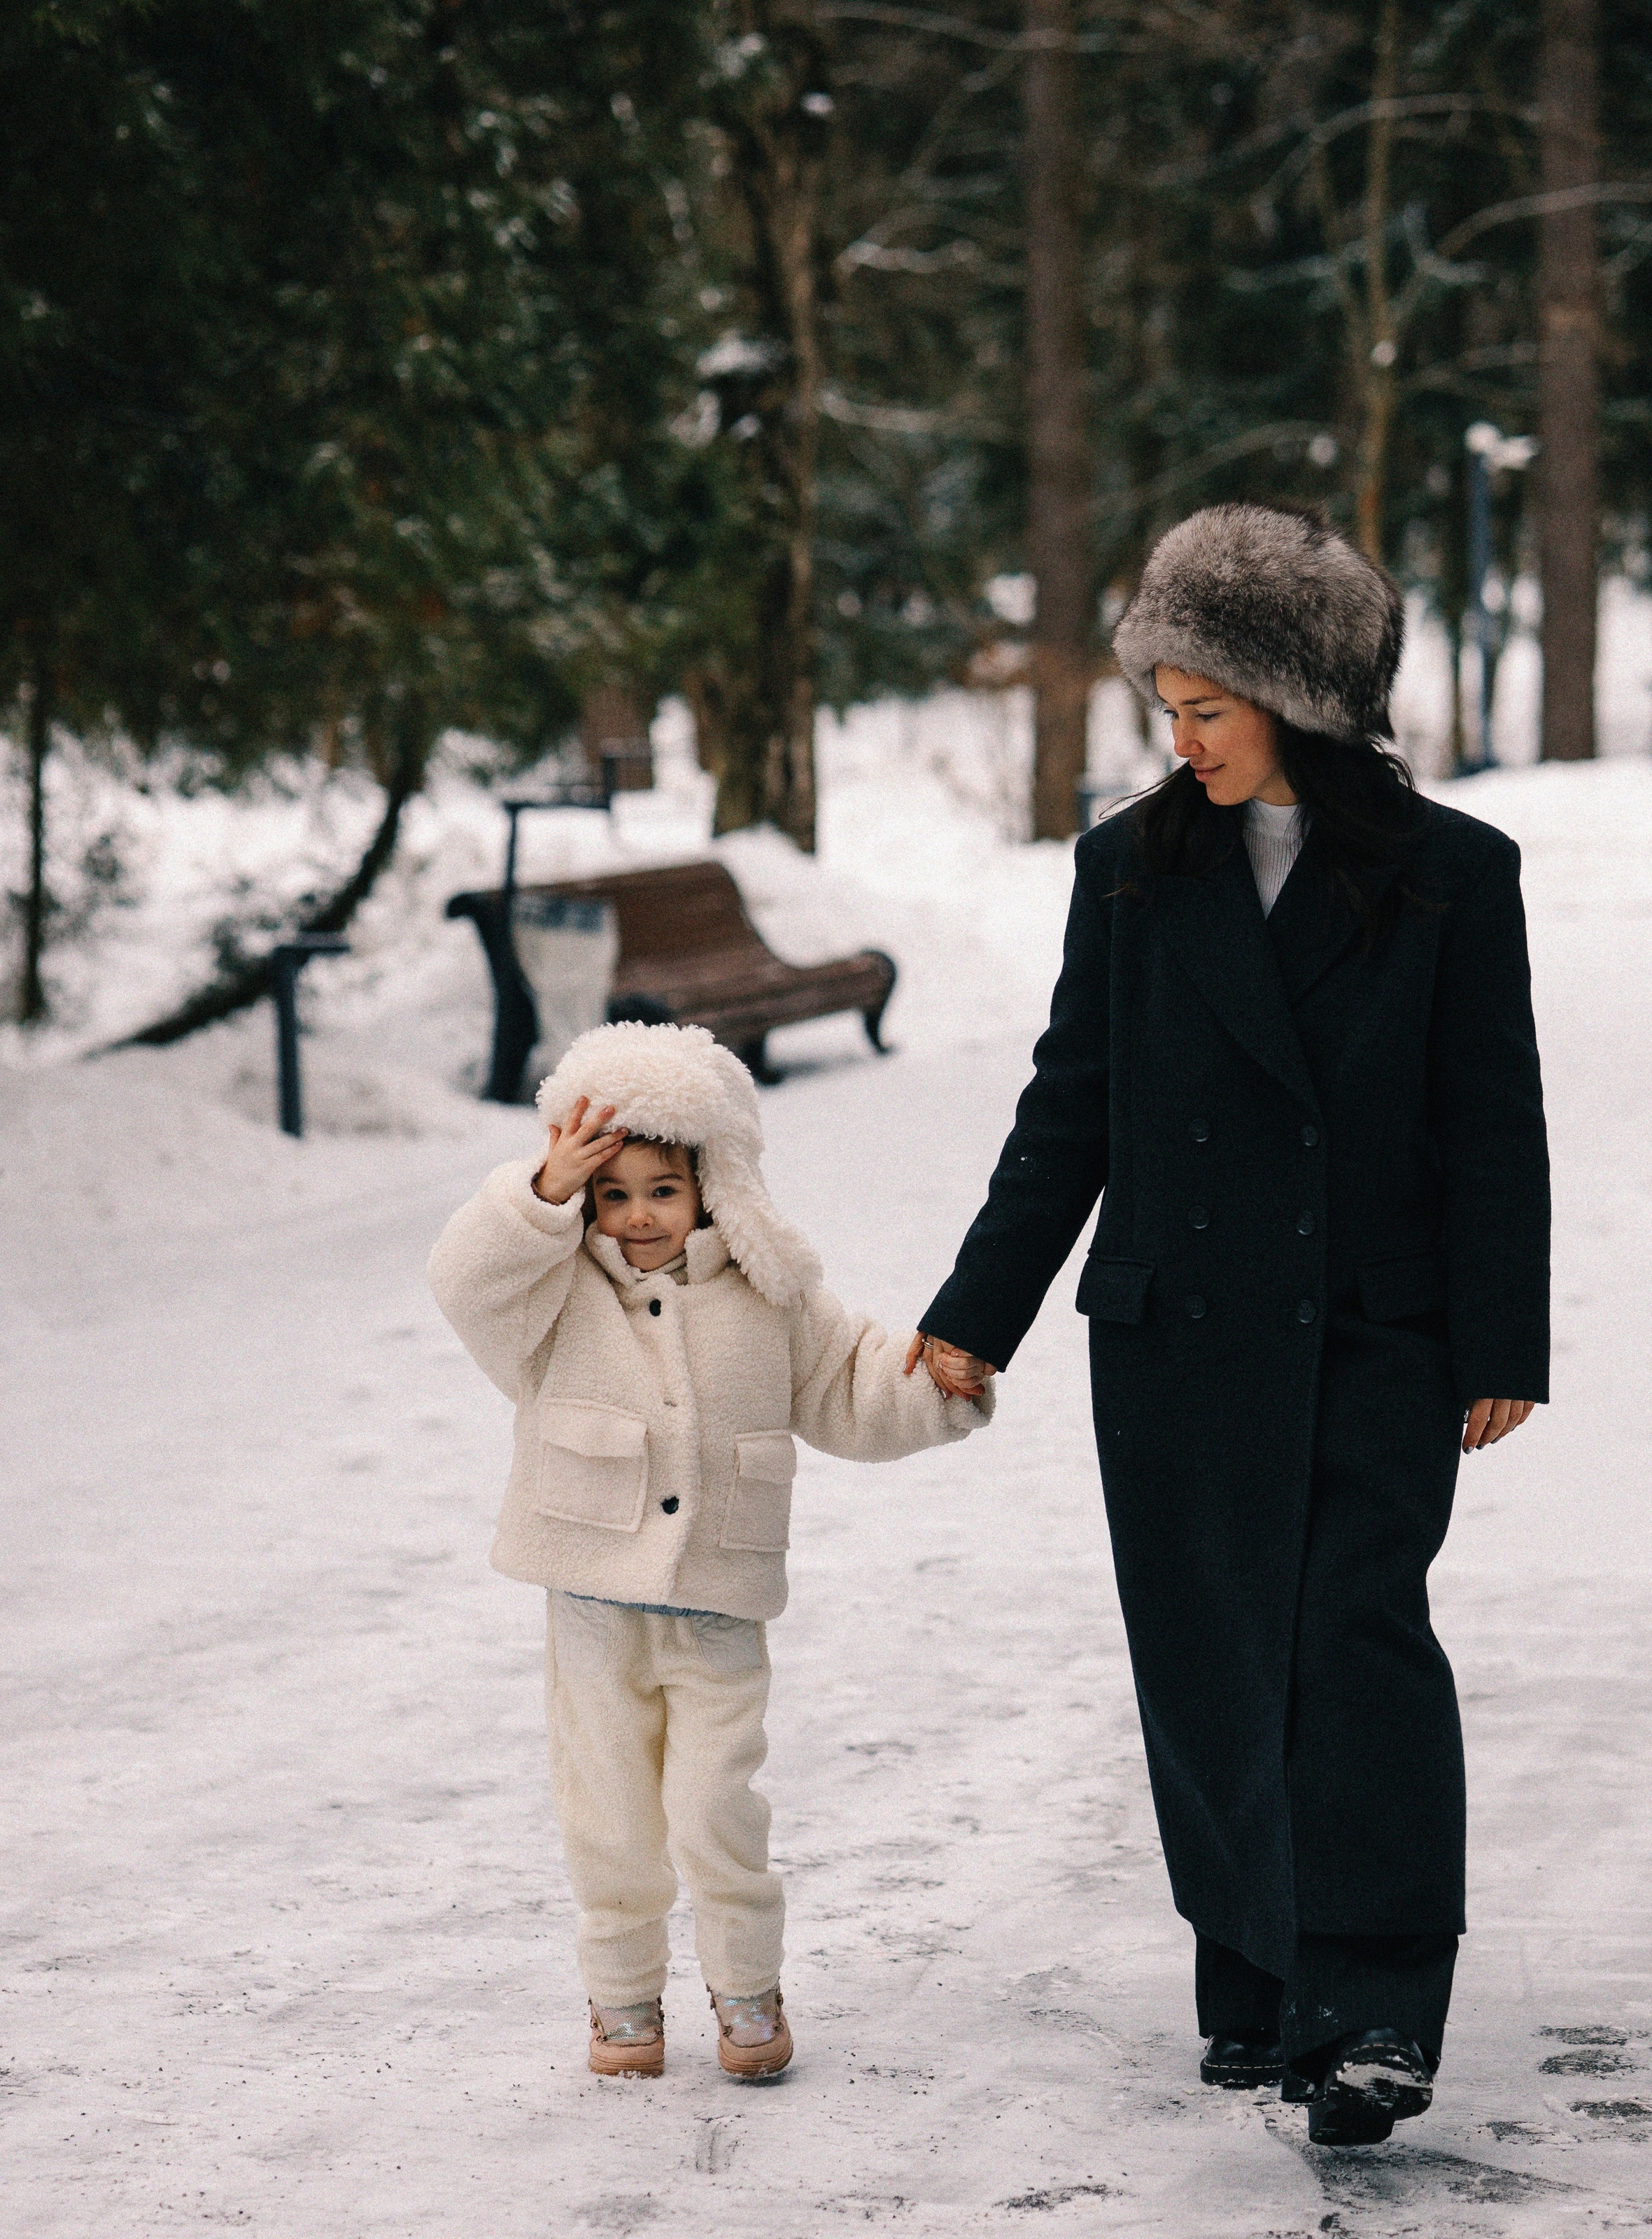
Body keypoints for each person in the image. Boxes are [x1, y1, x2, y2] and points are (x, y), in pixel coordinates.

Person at [911, 504, 1549, 2147]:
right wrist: (977, 1313)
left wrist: (1498, 1340)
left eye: (1206, 708)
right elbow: (1076, 1103)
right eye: (1163, 707)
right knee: (1207, 1657)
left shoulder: (1448, 877)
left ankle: (1375, 2008)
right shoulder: (1129, 867)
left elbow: (1490, 1119)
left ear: (1305, 701)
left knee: (1349, 1644)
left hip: (1372, 1333)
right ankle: (1256, 1976)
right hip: (1179, 1328)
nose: (1176, 739)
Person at [430, 1022, 992, 2082]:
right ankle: (623, 2000)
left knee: (714, 1806)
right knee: (605, 1808)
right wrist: (545, 1188)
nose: (638, 1217)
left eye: (664, 1191)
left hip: (719, 1598)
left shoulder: (770, 1296)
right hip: (593, 1599)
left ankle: (745, 1988)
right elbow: (466, 1280)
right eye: (615, 1194)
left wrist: (937, 1388)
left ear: (713, 1188)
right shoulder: (550, 1294)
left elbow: (852, 1384)